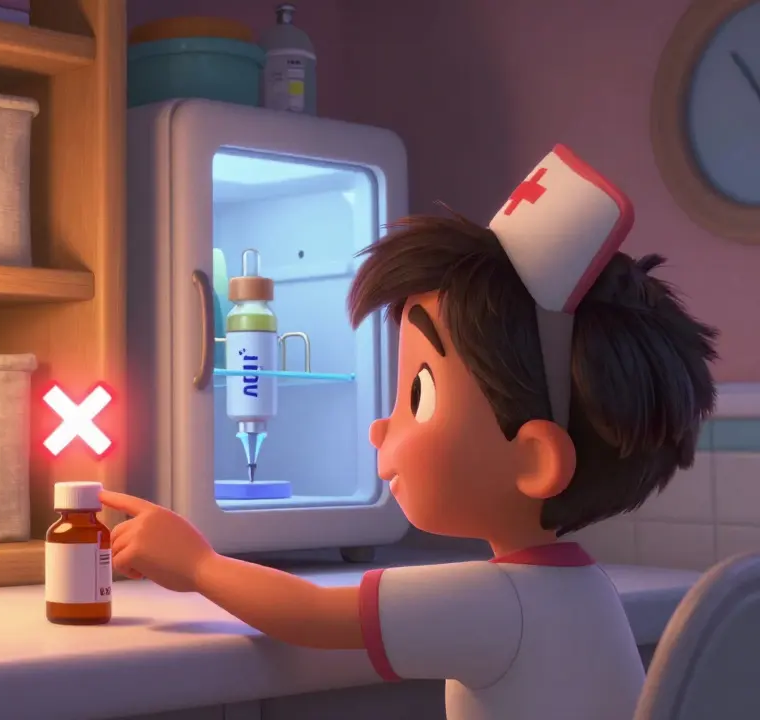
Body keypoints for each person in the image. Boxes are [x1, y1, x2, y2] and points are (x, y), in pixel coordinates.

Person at [100, 144, 719, 720]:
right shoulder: (584, 587)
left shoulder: (501, 602)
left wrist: (198, 563)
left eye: (417, 395)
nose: (379, 427)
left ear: (533, 458)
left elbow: (312, 615)